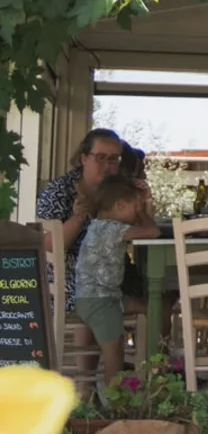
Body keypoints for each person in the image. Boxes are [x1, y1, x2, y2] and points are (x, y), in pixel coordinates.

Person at [68, 175, 155, 387]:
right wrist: (145, 212)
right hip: (100, 301)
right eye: (134, 207)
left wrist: (140, 207)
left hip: (104, 297)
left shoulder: (99, 225)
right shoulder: (112, 229)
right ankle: (114, 399)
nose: (137, 212)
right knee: (114, 351)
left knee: (148, 306)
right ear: (120, 205)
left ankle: (154, 360)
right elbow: (153, 231)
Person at [36, 128, 124, 290]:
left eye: (113, 159)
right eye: (100, 158)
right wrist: (77, 219)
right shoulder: (59, 190)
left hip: (109, 272)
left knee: (158, 291)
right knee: (143, 302)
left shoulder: (117, 190)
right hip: (68, 279)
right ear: (84, 159)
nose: (107, 166)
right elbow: (45, 246)